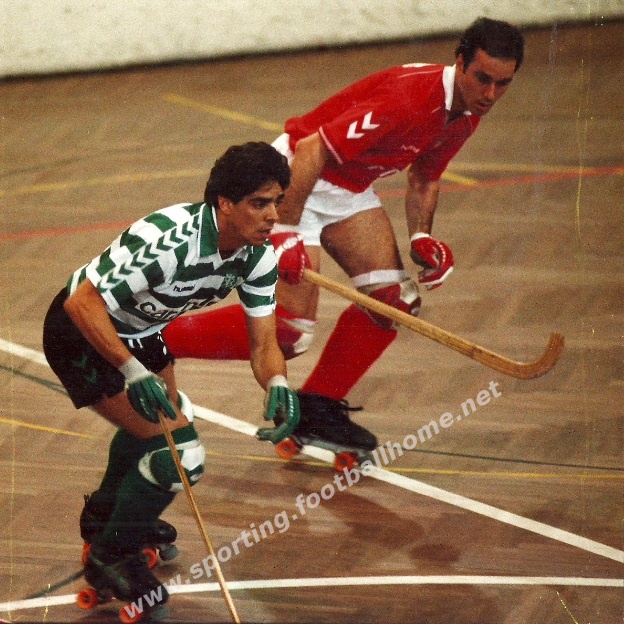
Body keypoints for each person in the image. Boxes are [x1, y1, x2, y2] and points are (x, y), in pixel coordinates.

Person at [163, 18, 525, 455]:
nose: (490, 94)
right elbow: (311, 150)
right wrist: (284, 233)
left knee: (394, 302)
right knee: (291, 332)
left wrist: (421, 236)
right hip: (296, 180)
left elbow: (425, 177)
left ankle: (316, 409)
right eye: (482, 78)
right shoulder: (410, 99)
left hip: (346, 188)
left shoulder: (466, 113)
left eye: (503, 84)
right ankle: (155, 339)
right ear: (460, 62)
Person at [42, 142, 301, 610]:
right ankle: (111, 556)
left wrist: (278, 382)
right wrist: (131, 370)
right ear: (224, 203)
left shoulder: (258, 256)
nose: (272, 216)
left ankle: (108, 520)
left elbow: (264, 345)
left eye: (277, 202)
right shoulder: (171, 241)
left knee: (166, 428)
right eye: (259, 203)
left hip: (142, 330)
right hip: (82, 330)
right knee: (180, 453)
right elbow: (81, 302)